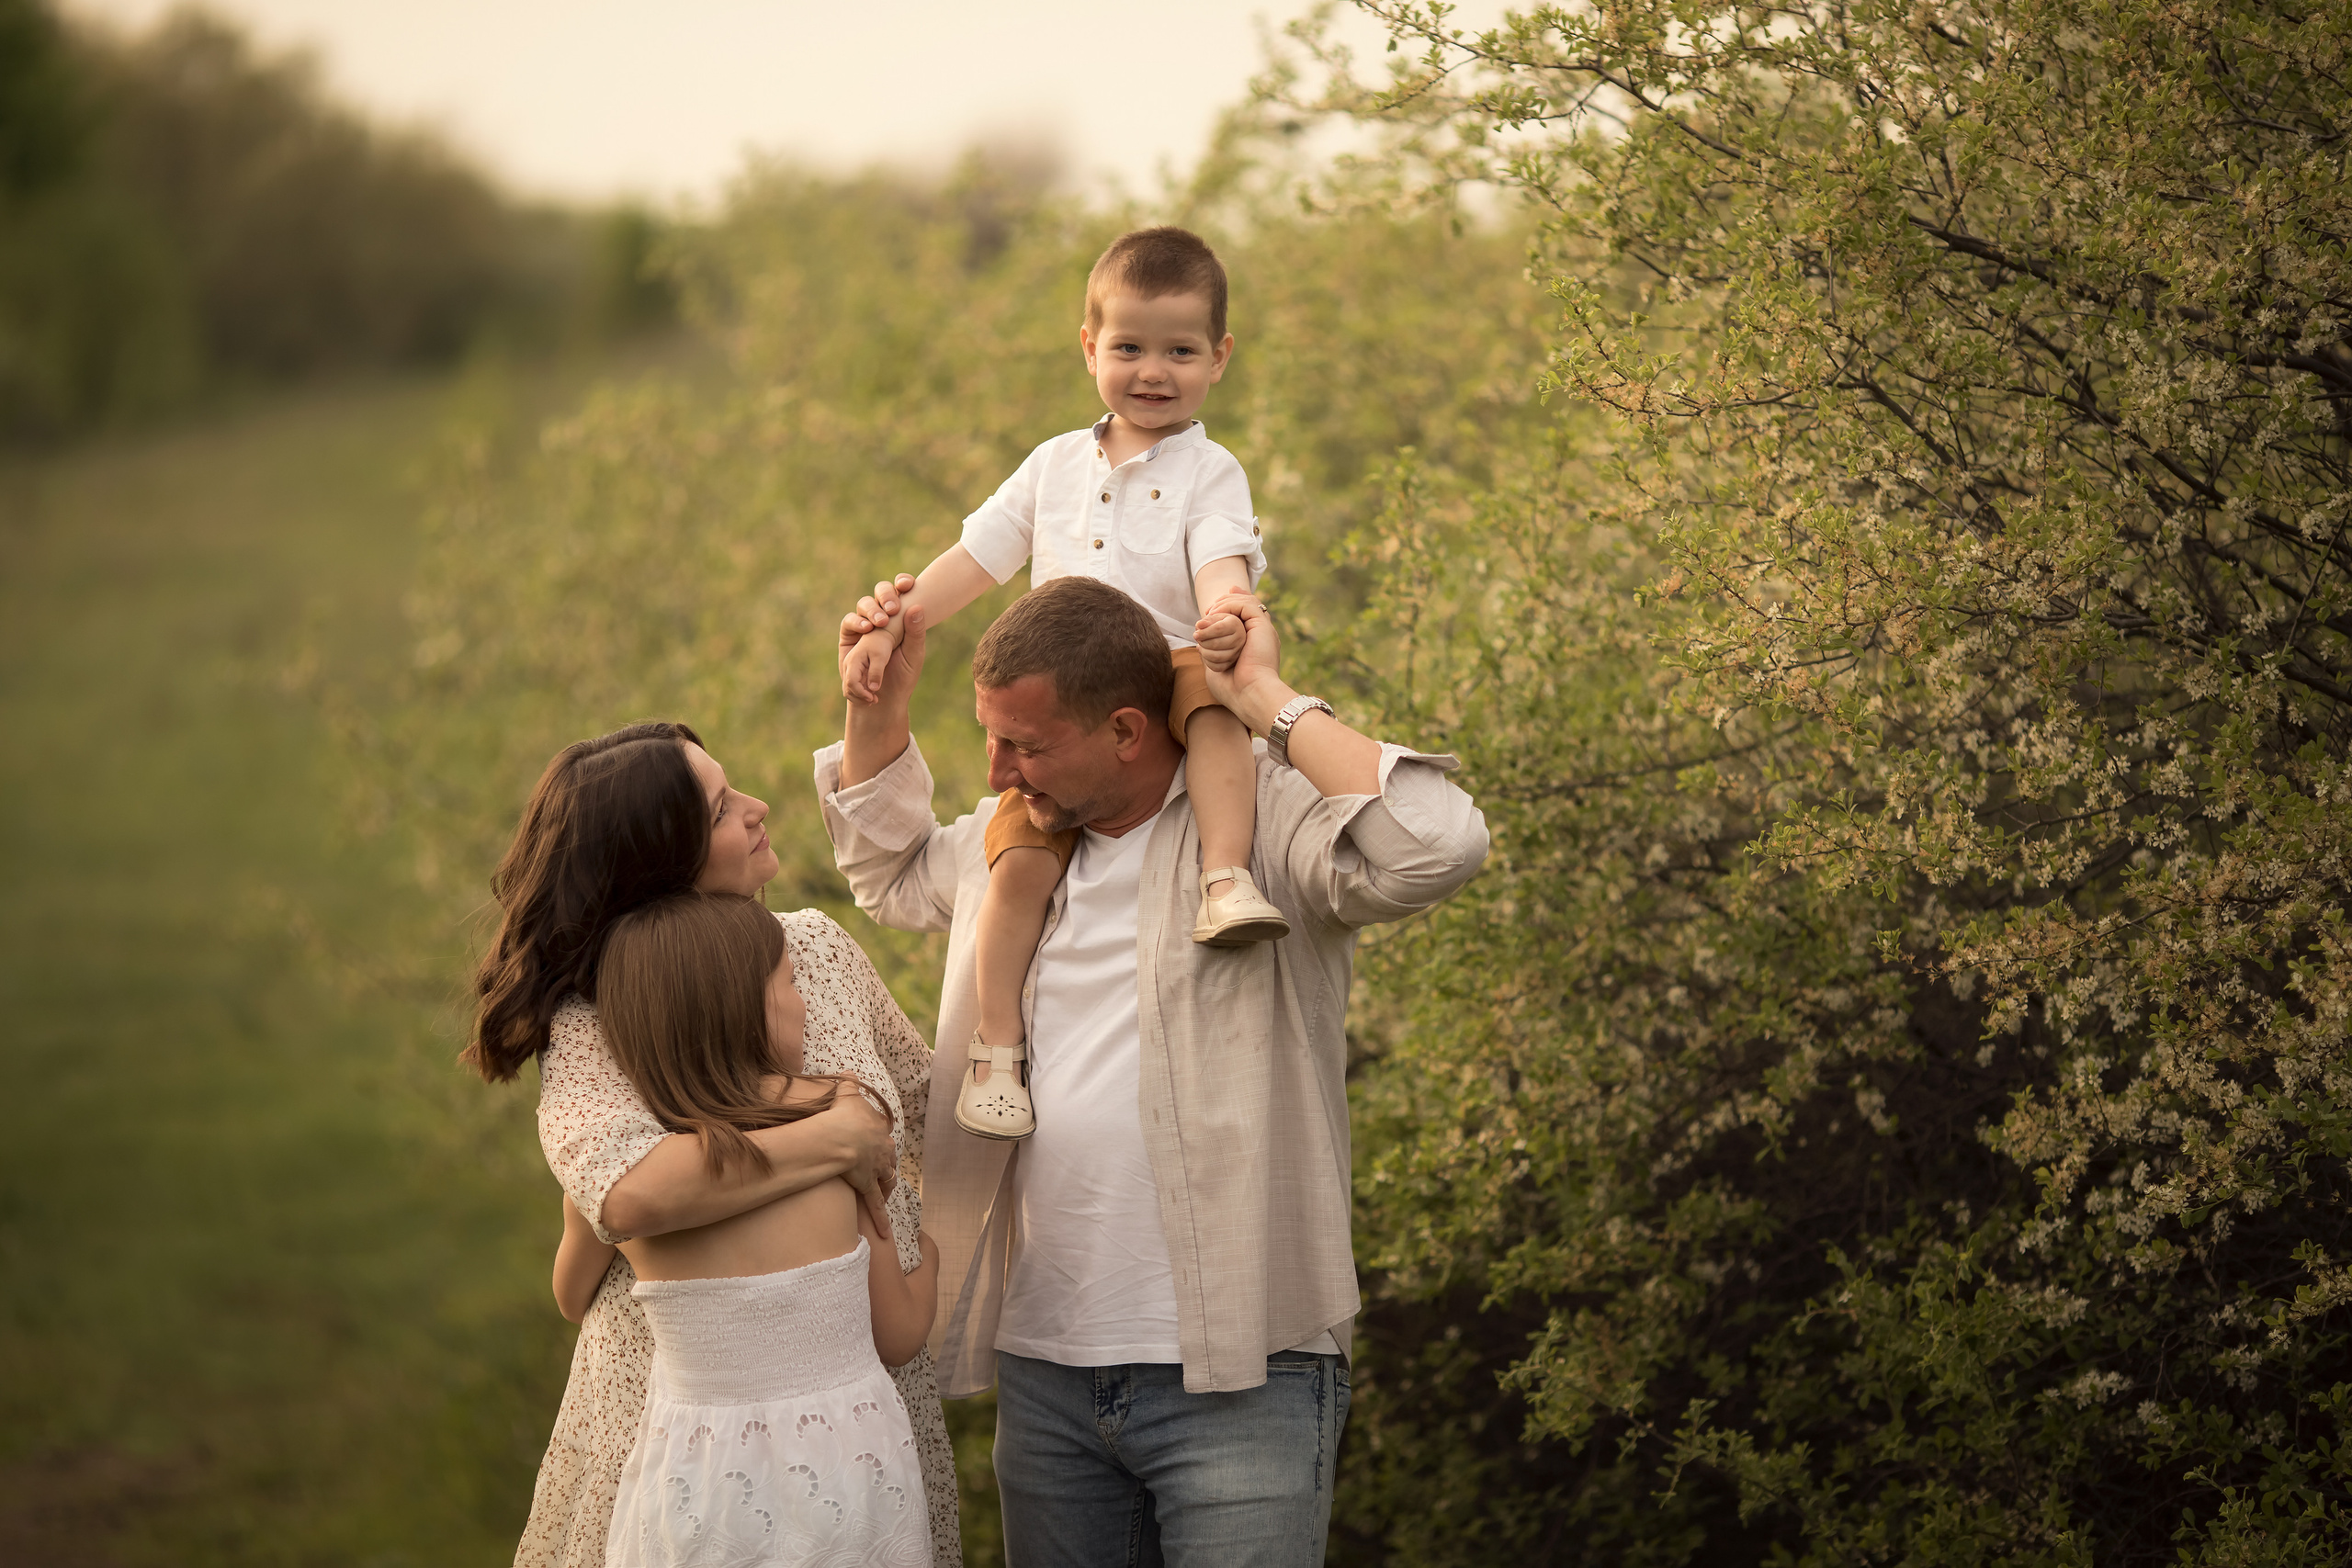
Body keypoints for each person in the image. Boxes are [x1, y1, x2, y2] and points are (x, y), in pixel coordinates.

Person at [820, 575, 1489, 1565]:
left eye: (1027, 744)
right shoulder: (1015, 846)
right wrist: (873, 710)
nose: (998, 771)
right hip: (1046, 1372)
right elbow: (886, 866)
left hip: (1248, 1372)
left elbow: (1437, 844)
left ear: (1129, 731)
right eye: (991, 738)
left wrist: (1263, 700)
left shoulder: (1262, 826)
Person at [469, 722, 962, 1567]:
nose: (759, 808)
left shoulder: (814, 946)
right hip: (683, 1434)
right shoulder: (597, 1015)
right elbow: (628, 1193)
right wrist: (836, 1137)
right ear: (660, 861)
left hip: (860, 1413)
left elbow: (927, 1111)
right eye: (723, 808)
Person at [838, 225, 1287, 1148]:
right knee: (1014, 859)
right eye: (1128, 348)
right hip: (1063, 697)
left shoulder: (1211, 469)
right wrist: (901, 617)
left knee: (1215, 706)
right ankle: (997, 1047)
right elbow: (978, 559)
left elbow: (1222, 562)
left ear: (1219, 359)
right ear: (1089, 347)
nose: (1151, 371)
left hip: (1163, 669)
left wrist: (1226, 615)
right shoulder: (1053, 465)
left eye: (1179, 352)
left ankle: (1223, 873)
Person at [555, 892, 938, 1567]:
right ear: (749, 1010)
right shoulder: (834, 1141)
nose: (804, 1003)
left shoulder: (637, 1174)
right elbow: (899, 1333)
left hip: (692, 1475)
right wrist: (930, 1255)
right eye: (790, 983)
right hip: (843, 1465)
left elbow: (569, 1292)